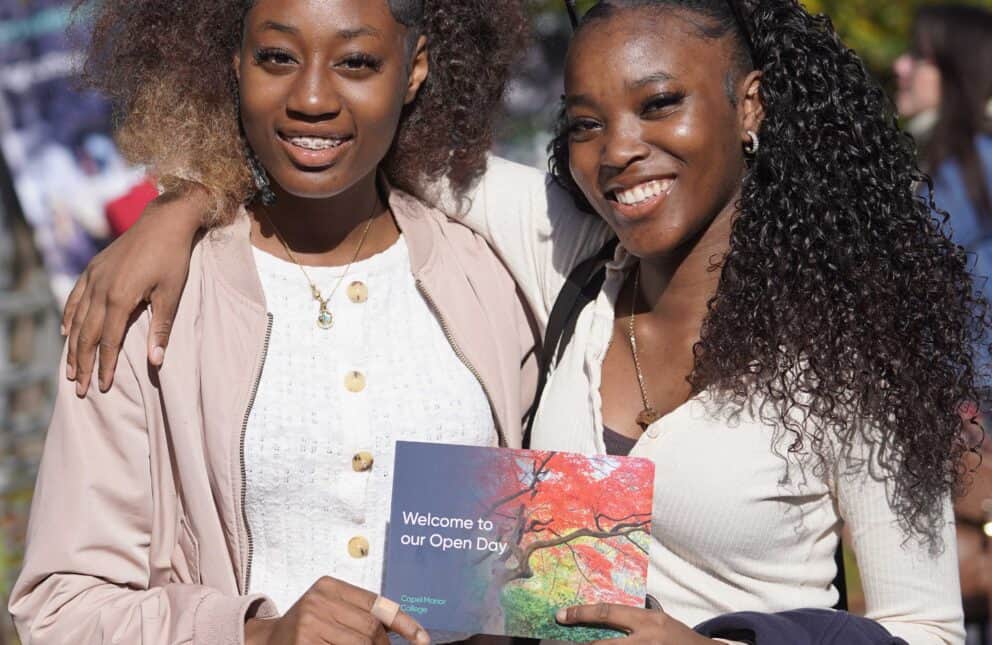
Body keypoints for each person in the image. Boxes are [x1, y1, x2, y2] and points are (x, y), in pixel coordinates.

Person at [54, 0, 981, 643]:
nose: (619, 151)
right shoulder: (566, 264)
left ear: (749, 105)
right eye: (584, 123)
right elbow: (346, 140)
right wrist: (187, 202)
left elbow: (930, 628)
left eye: (660, 103)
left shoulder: (848, 358)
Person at [9, 1, 537, 644]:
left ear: (414, 69)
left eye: (357, 62)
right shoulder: (145, 304)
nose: (311, 98)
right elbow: (60, 610)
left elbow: (544, 568)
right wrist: (258, 635)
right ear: (235, 62)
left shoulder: (492, 280)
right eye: (278, 57)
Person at [894, 6, 992, 644]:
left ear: (955, 71)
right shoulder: (941, 166)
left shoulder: (970, 169)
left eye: (920, 57)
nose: (901, 67)